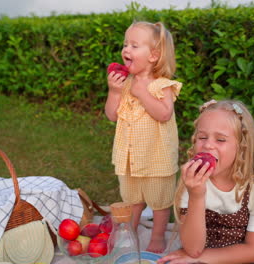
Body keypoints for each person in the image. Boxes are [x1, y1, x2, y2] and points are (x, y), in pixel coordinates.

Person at [158, 100, 254, 264]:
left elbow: (253, 251)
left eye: (221, 140)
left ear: (241, 147)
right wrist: (196, 195)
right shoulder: (191, 180)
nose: (208, 145)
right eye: (202, 137)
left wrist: (198, 258)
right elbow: (193, 249)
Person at [104, 21, 182, 253]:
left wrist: (142, 93)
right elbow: (111, 115)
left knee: (159, 202)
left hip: (156, 158)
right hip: (129, 159)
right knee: (132, 200)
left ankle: (157, 236)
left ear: (154, 55)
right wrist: (114, 91)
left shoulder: (162, 85)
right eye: (125, 44)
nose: (126, 49)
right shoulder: (124, 84)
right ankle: (131, 230)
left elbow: (164, 114)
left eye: (134, 45)